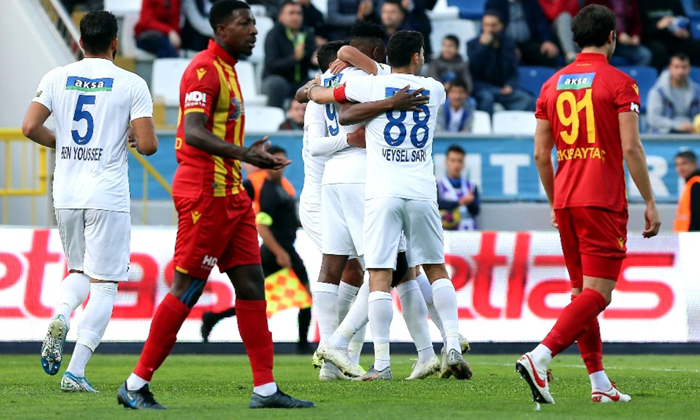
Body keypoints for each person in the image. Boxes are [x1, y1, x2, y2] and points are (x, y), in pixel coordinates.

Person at [116, 1, 314, 410]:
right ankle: (135, 384)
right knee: (187, 288)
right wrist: (244, 154)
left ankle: (265, 389)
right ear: (222, 29)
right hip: (205, 194)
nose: (254, 30)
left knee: (252, 284)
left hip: (232, 194)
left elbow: (215, 132)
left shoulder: (228, 69)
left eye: (255, 22)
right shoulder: (204, 70)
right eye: (245, 23)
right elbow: (192, 132)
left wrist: (246, 154)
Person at [517, 4, 661, 404]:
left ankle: (599, 383)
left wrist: (554, 201)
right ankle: (539, 356)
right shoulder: (621, 83)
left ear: (575, 38)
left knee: (582, 291)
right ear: (612, 37)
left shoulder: (551, 85)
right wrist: (650, 200)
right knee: (600, 293)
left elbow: (540, 155)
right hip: (602, 199)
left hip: (566, 199)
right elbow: (631, 147)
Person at [318, 30, 471, 381]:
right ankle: (450, 343)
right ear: (417, 56)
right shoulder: (434, 88)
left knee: (379, 275)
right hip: (422, 192)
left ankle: (383, 364)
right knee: (435, 267)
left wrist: (317, 89)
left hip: (383, 193)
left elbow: (343, 112)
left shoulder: (371, 86)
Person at [22, 10, 158, 392]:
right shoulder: (131, 83)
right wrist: (133, 136)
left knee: (79, 271)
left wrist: (62, 142)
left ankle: (61, 314)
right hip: (106, 194)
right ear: (115, 42)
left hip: (66, 192)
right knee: (105, 285)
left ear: (81, 42)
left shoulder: (56, 76)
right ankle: (76, 372)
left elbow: (29, 127)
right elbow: (148, 145)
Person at [200, 147, 313, 350]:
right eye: (275, 160)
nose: (279, 165)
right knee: (302, 295)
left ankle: (214, 317)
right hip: (277, 250)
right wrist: (279, 253)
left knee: (259, 299)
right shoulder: (264, 188)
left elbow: (285, 219)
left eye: (282, 161)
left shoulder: (284, 187)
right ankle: (303, 345)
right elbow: (260, 224)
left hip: (281, 248)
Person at [468, 10, 536, 114]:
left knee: (527, 100)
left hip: (503, 88)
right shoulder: (473, 44)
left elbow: (513, 69)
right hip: (483, 88)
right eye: (486, 25)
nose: (489, 29)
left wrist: (510, 85)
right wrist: (483, 47)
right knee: (487, 98)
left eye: (493, 25)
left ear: (501, 26)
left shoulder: (508, 44)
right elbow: (474, 68)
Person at [262, 1, 317, 109]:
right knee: (277, 85)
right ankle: (275, 116)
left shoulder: (307, 33)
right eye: (291, 13)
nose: (296, 17)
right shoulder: (273, 34)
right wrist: (294, 59)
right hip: (277, 79)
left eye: (299, 13)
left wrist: (315, 61)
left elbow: (311, 63)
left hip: (301, 81)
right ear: (281, 16)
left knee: (318, 85)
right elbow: (271, 65)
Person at [485, 0, 560, 67]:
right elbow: (492, 27)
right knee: (503, 56)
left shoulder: (531, 1)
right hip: (505, 43)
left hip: (530, 42)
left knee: (548, 53)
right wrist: (509, 46)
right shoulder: (494, 3)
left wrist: (547, 40)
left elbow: (540, 22)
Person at [585, 0, 652, 66]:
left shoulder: (630, 2)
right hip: (602, 42)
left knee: (644, 55)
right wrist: (618, 34)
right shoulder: (596, 2)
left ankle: (632, 73)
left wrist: (635, 35)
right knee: (599, 57)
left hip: (625, 43)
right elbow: (594, 23)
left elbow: (636, 22)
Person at [647, 53, 700, 134]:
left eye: (684, 67)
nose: (681, 71)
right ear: (670, 68)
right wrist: (678, 125)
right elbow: (653, 119)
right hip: (663, 136)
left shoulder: (697, 90)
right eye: (676, 67)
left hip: (690, 134)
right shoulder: (657, 91)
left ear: (689, 69)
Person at [640, 0, 700, 71]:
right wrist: (657, 27)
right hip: (653, 39)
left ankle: (693, 73)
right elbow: (641, 31)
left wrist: (685, 32)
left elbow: (685, 20)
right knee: (659, 50)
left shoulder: (674, 2)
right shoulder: (642, 3)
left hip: (674, 38)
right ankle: (659, 75)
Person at [438, 145, 480, 230]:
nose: (456, 165)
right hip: (447, 235)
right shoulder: (438, 186)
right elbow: (437, 205)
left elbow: (476, 211)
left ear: (463, 164)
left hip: (469, 233)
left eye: (460, 161)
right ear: (446, 162)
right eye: (453, 160)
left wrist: (469, 203)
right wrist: (459, 203)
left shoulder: (471, 187)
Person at [674, 150, 700, 232]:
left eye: (684, 163)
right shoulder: (690, 183)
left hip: (693, 236)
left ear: (694, 164)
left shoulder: (696, 184)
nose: (680, 168)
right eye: (677, 165)